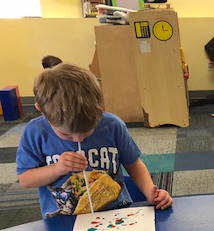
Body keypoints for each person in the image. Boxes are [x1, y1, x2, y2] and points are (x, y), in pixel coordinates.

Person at [16, 63, 172, 218]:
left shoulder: (112, 126)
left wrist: (150, 191)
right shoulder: (35, 132)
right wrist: (57, 169)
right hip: (64, 219)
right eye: (67, 135)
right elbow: (25, 179)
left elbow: (133, 164)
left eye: (87, 131)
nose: (78, 139)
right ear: (41, 110)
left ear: (98, 107)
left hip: (116, 215)